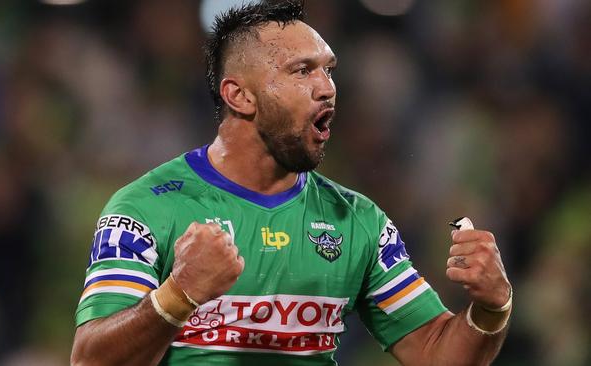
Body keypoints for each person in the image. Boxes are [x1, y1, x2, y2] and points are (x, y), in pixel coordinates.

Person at [70, 1, 512, 365]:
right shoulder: (147, 208)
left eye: (329, 70)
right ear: (238, 95)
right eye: (302, 71)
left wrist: (492, 309)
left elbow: (437, 353)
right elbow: (90, 360)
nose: (327, 88)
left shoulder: (357, 221)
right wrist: (177, 293)